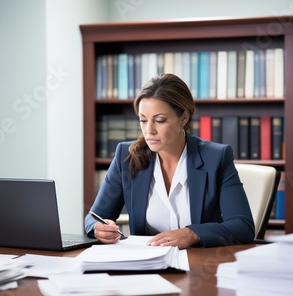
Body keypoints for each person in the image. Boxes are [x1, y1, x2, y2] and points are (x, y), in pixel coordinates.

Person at [84, 73, 254, 249]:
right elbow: (94, 217)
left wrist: (192, 234)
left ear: (184, 118)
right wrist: (97, 228)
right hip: (146, 266)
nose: (149, 130)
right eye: (143, 120)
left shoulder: (216, 157)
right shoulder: (125, 157)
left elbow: (243, 226)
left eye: (159, 120)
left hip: (199, 265)